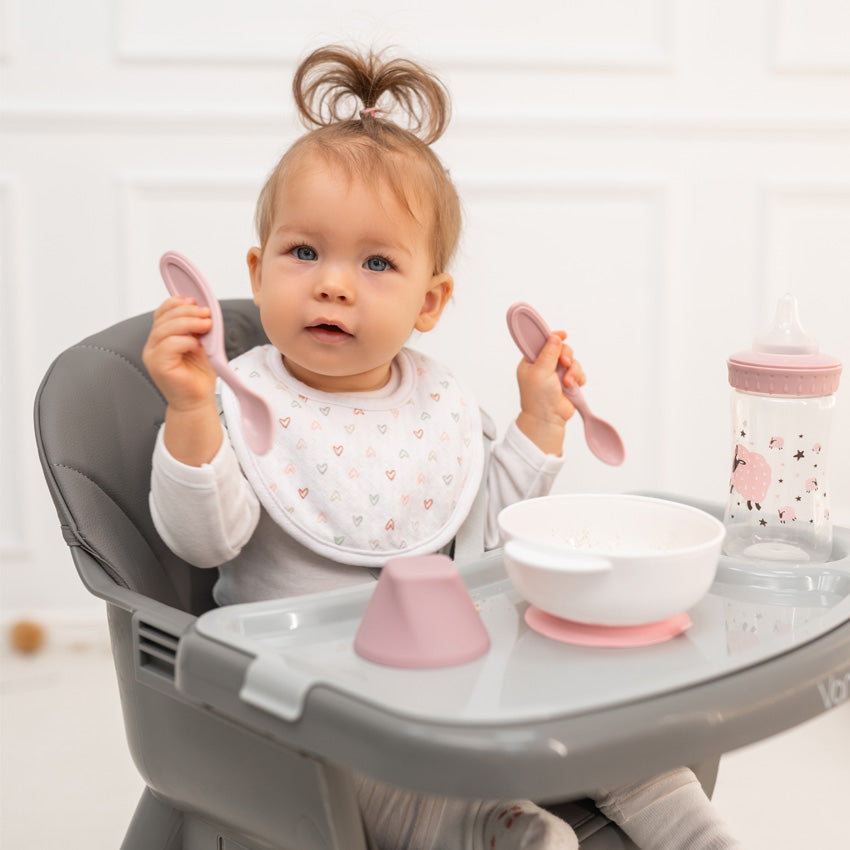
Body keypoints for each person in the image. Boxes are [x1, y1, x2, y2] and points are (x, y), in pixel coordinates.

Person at [143, 45, 742, 850]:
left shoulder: (438, 402)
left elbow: (486, 540)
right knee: (371, 776)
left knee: (613, 731)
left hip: (453, 669)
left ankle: (692, 829)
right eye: (304, 252)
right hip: (309, 695)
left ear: (430, 301)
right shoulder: (237, 396)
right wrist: (188, 410)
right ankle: (490, 828)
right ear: (258, 271)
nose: (333, 283)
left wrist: (539, 420)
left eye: (377, 262)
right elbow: (204, 540)